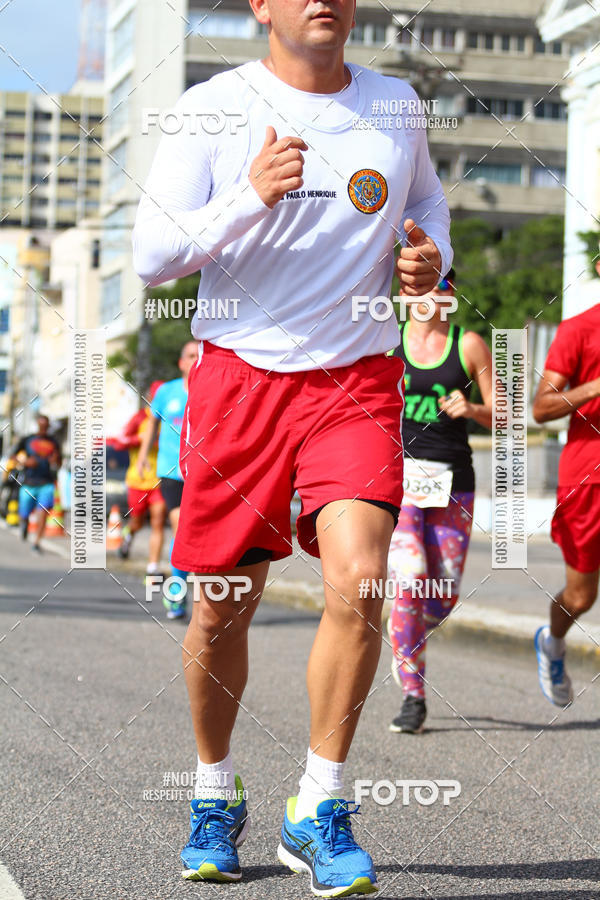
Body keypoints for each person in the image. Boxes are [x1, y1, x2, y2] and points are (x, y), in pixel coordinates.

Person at [132, 0, 453, 888]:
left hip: (354, 380)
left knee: (360, 577)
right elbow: (152, 253)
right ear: (260, 7)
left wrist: (433, 255)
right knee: (219, 604)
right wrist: (250, 194)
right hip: (241, 382)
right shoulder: (211, 108)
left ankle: (319, 804)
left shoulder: (395, 105)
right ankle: (213, 792)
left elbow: (425, 197)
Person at [386, 271, 492, 734]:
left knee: (441, 598)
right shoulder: (388, 342)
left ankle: (406, 634)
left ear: (449, 296)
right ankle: (413, 693)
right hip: (399, 480)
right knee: (410, 581)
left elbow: (506, 413)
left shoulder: (468, 345)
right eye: (416, 288)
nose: (427, 296)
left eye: (438, 289)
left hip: (454, 483)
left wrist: (471, 409)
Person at [532, 258, 600, 707]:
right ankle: (552, 641)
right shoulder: (578, 330)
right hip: (587, 479)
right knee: (580, 596)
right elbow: (542, 408)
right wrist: (595, 387)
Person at [137, 343, 199, 618]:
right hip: (171, 471)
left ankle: (189, 588)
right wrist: (142, 456)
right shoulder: (167, 392)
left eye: (201, 356)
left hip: (203, 472)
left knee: (192, 532)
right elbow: (152, 422)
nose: (196, 360)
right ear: (181, 362)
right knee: (180, 526)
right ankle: (177, 593)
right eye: (191, 356)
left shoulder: (212, 390)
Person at [116, 381, 167, 578]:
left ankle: (152, 567)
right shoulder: (140, 418)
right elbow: (120, 441)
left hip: (160, 480)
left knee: (158, 521)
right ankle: (128, 535)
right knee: (138, 522)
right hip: (138, 479)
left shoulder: (171, 419)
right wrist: (142, 439)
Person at [9, 414, 61, 553]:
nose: (44, 428)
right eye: (41, 425)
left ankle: (36, 542)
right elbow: (12, 456)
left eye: (46, 426)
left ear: (48, 426)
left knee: (43, 513)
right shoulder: (27, 440)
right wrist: (25, 462)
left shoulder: (54, 442)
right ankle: (24, 525)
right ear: (38, 425)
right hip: (28, 483)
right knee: (23, 514)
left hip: (46, 483)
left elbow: (59, 463)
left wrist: (56, 461)